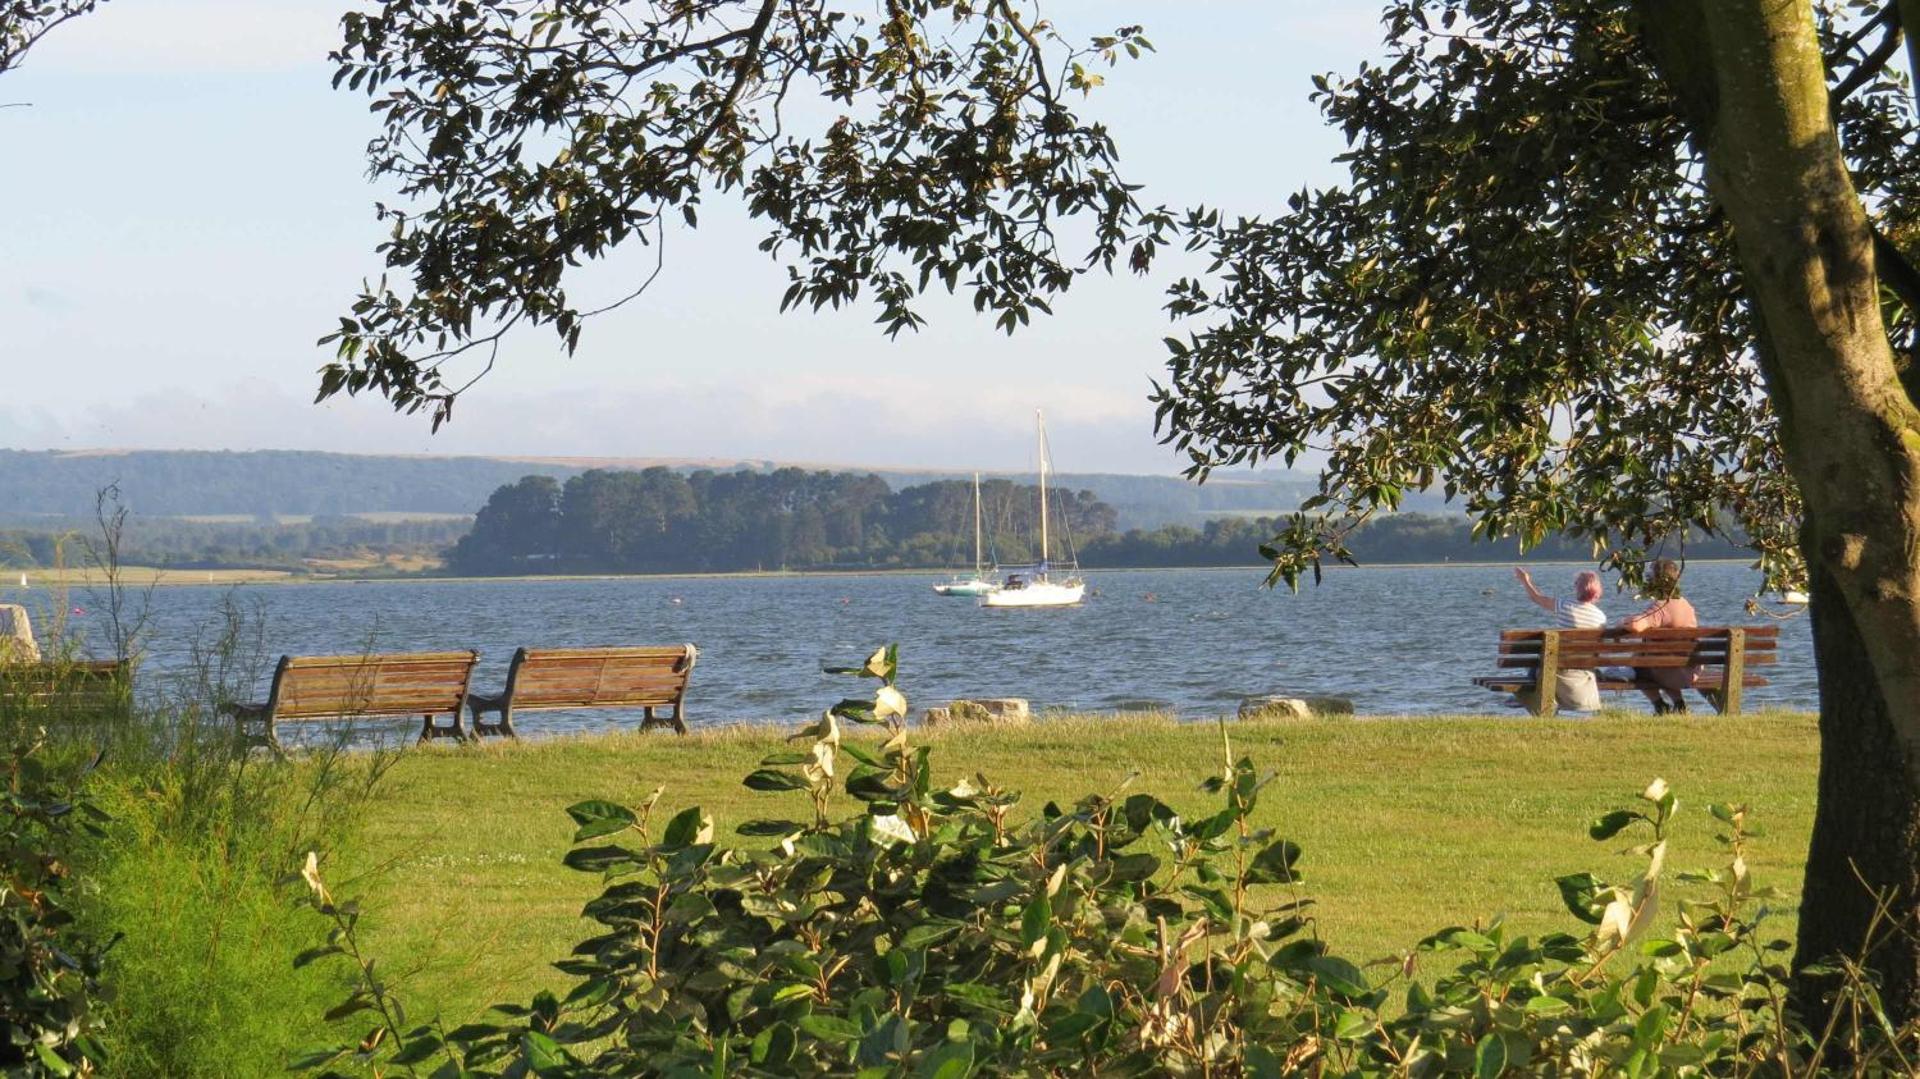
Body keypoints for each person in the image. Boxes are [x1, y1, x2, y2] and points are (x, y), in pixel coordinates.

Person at [1512, 567, 1606, 712]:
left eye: (1576, 584)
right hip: (1584, 665)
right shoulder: (1601, 617)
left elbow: (1536, 598)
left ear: (1578, 588)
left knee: (1539, 658)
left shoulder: (1564, 605)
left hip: (1558, 665)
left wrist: (1525, 580)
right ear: (1597, 591)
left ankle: (1528, 694)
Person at [1615, 558, 1699, 714]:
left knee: (1637, 667)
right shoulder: (1686, 604)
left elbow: (1636, 625)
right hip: (1689, 671)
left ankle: (1659, 704)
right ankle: (1679, 704)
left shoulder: (1660, 607)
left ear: (1655, 582)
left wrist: (1621, 622)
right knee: (1660, 660)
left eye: (1649, 578)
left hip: (1669, 673)